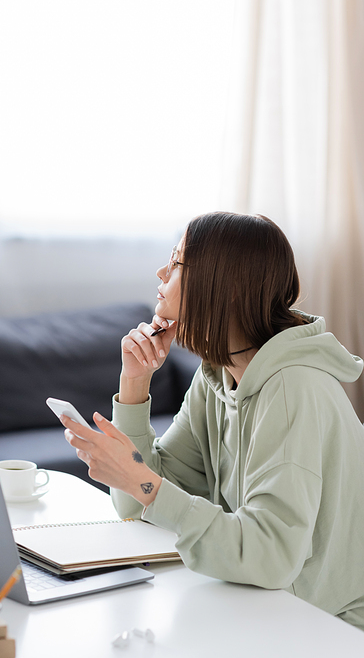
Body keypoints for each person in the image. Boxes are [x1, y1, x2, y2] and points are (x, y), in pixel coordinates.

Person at [60, 211, 364, 630]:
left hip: (330, 625)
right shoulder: (218, 377)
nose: (162, 271)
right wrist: (135, 383)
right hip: (270, 608)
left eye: (178, 262)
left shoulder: (295, 390)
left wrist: (144, 486)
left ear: (228, 289)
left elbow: (270, 555)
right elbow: (135, 503)